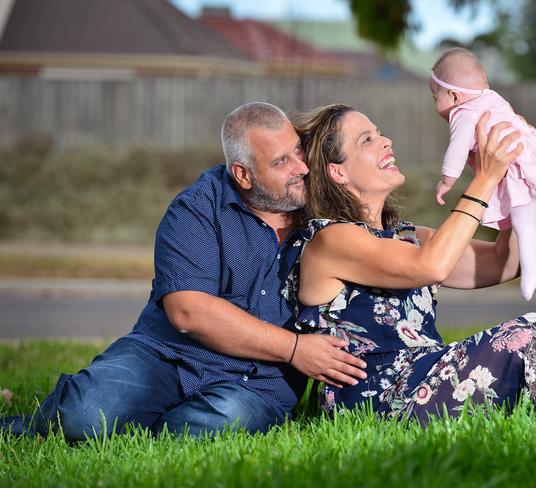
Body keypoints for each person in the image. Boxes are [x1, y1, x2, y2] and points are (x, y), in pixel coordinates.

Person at [1, 102, 366, 441]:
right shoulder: (195, 209)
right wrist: (295, 348)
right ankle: (45, 421)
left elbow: (381, 235)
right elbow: (189, 311)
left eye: (297, 150)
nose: (300, 168)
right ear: (243, 174)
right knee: (82, 416)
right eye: (281, 161)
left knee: (214, 421)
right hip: (166, 356)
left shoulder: (319, 206)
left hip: (257, 381)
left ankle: (142, 422)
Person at [284, 103, 536, 423]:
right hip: (378, 396)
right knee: (529, 334)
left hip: (426, 374)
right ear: (337, 172)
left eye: (379, 133)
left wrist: (513, 179)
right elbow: (432, 266)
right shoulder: (330, 238)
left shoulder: (409, 238)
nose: (385, 141)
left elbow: (503, 263)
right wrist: (484, 178)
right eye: (366, 140)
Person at [431, 48, 536, 300]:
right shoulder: (494, 98)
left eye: (435, 98)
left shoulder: (462, 113)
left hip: (521, 177)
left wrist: (447, 180)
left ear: (454, 96)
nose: (436, 105)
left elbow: (457, 149)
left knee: (524, 225)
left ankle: (532, 269)